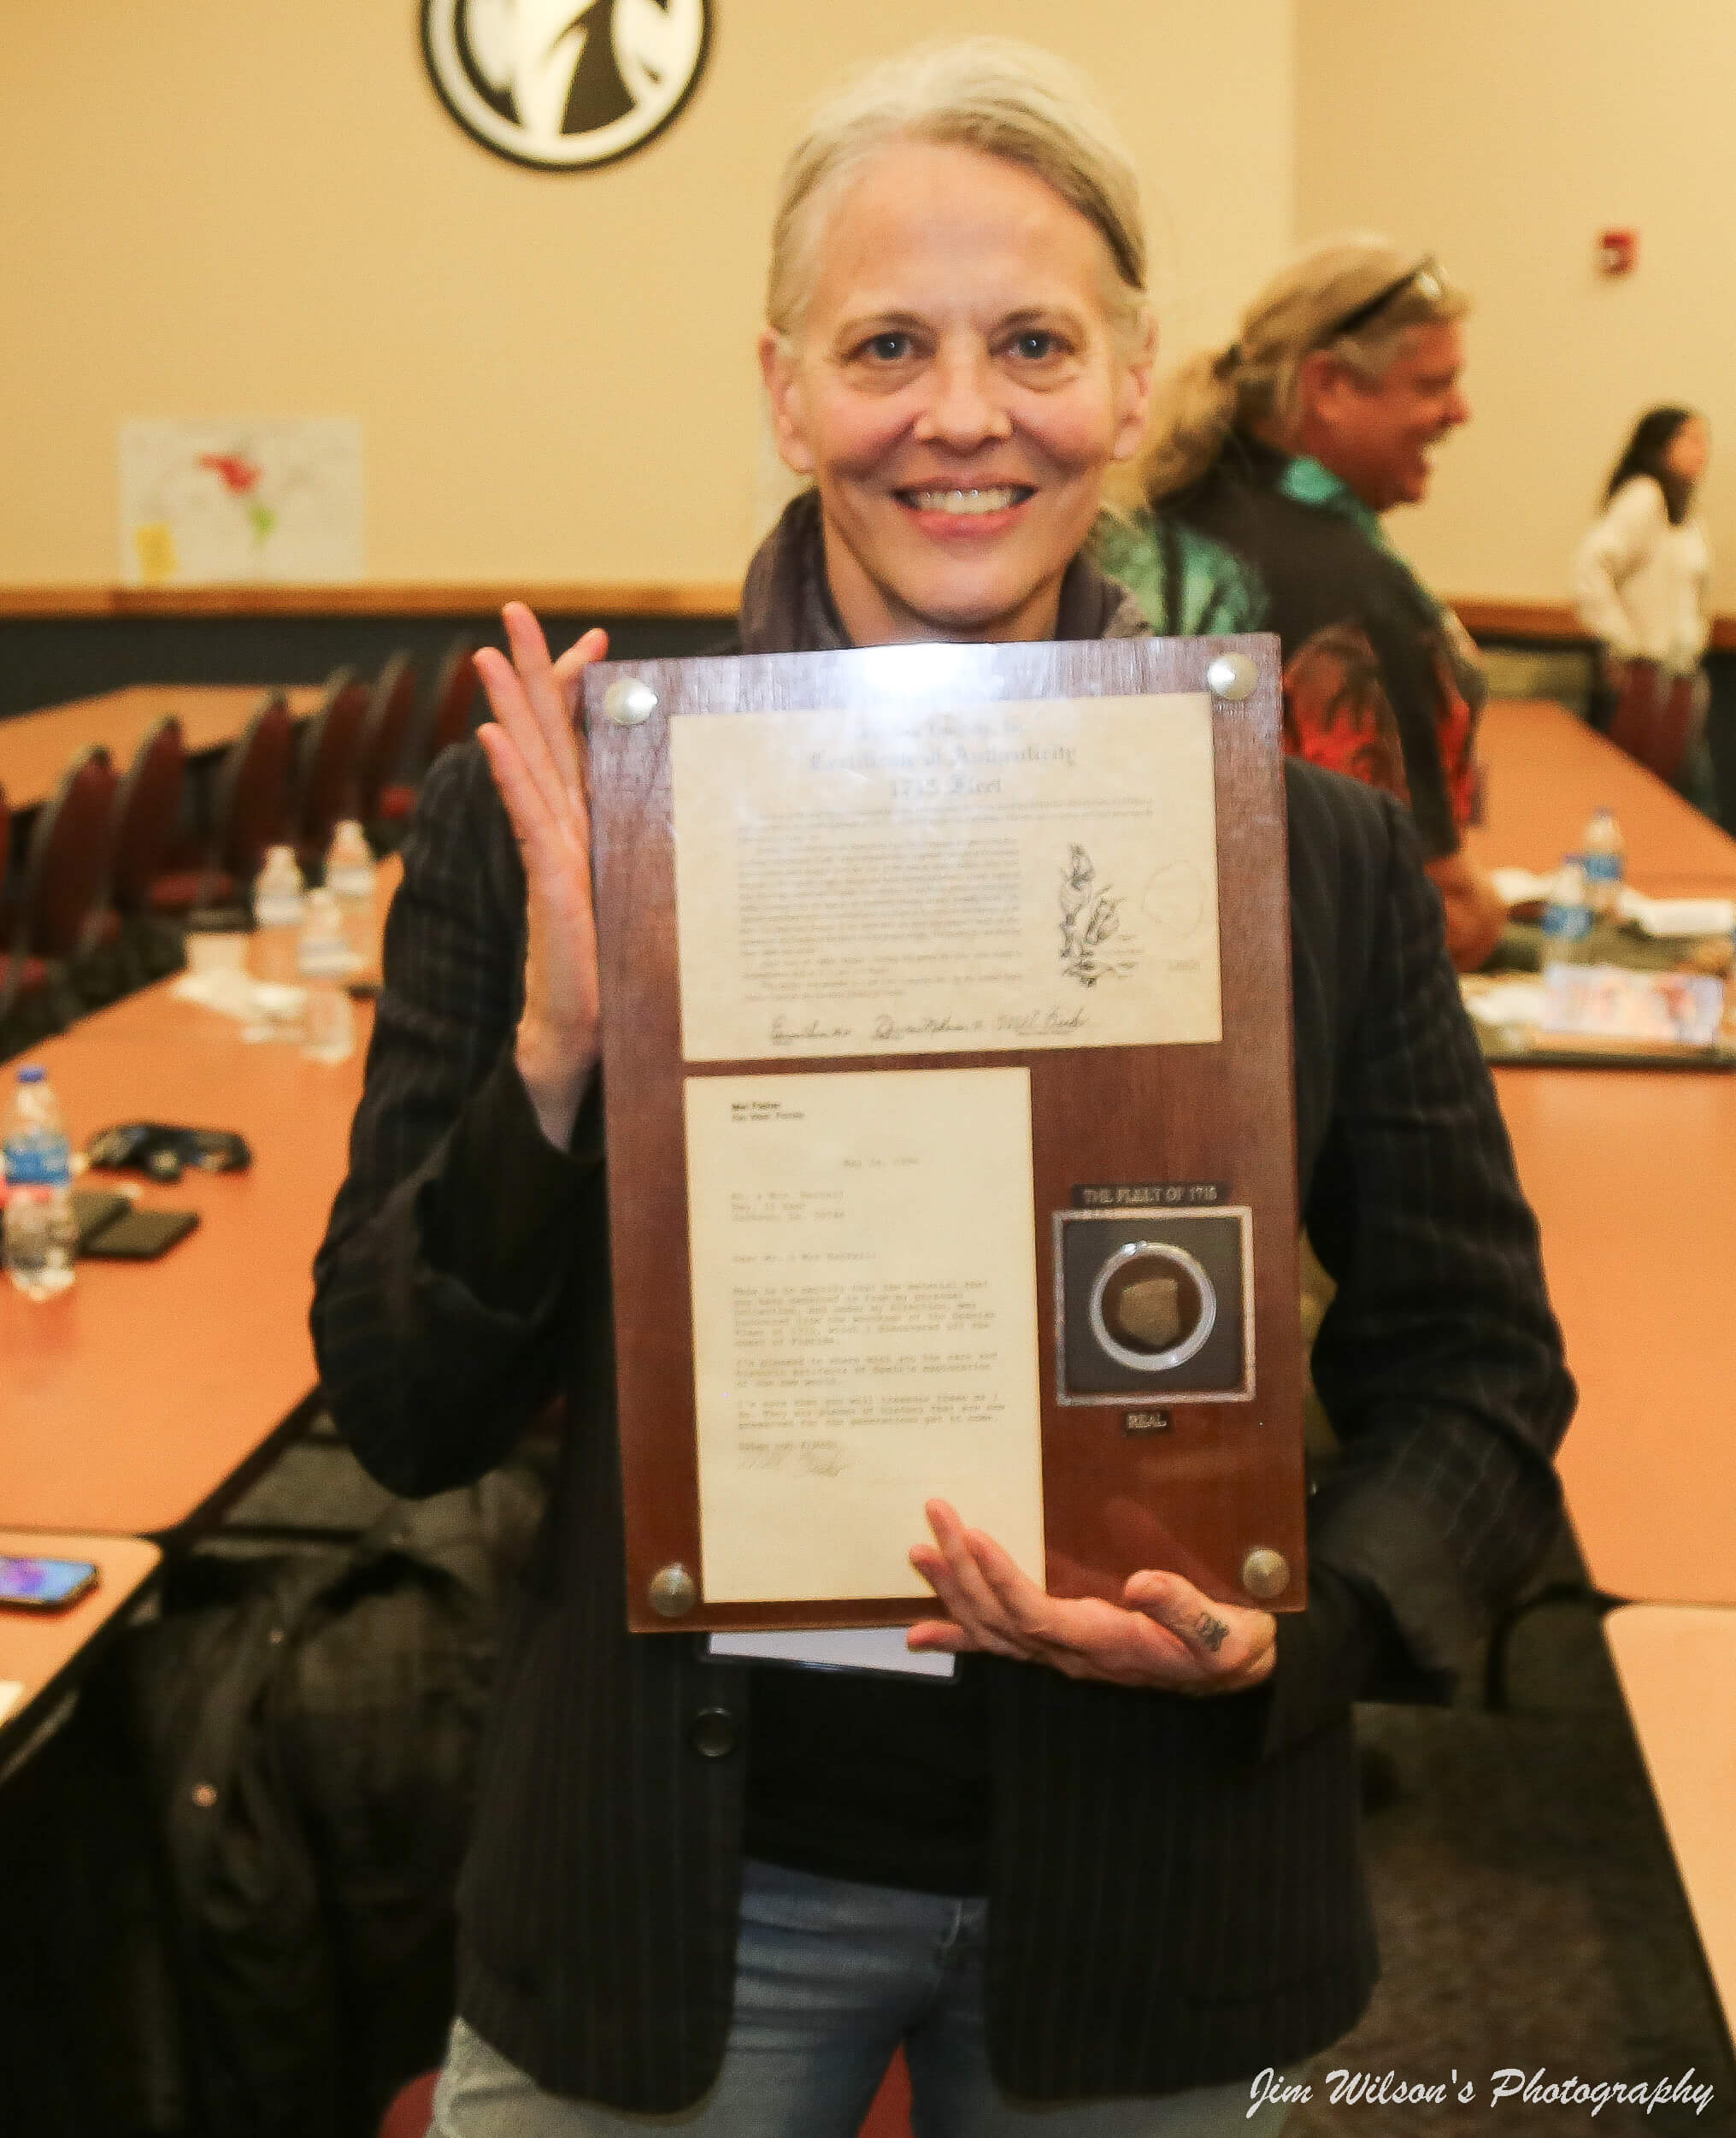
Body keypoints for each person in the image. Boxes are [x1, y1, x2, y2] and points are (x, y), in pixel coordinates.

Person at [311, 43, 1573, 2137]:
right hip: (669, 1890)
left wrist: (1296, 1629)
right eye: (887, 343)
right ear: (785, 389)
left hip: (1152, 1884)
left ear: (1133, 378)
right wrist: (557, 1063)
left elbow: (1479, 1375)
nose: (963, 414)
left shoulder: (1313, 858)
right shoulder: (551, 829)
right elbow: (398, 1406)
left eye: (1034, 343)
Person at [1097, 237, 1508, 971]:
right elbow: (1427, 909)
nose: (1461, 412)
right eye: (1432, 385)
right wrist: (1487, 914)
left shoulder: (1145, 521)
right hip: (1293, 1001)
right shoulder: (1351, 591)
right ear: (1328, 386)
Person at [1573, 405, 1715, 807]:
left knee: (1682, 796)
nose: (1702, 451)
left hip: (1679, 676)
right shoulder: (1644, 497)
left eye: (1705, 441)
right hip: (1643, 676)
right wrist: (1622, 641)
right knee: (1639, 794)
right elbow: (1591, 566)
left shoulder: (1687, 513)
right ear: (1660, 445)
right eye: (1691, 439)